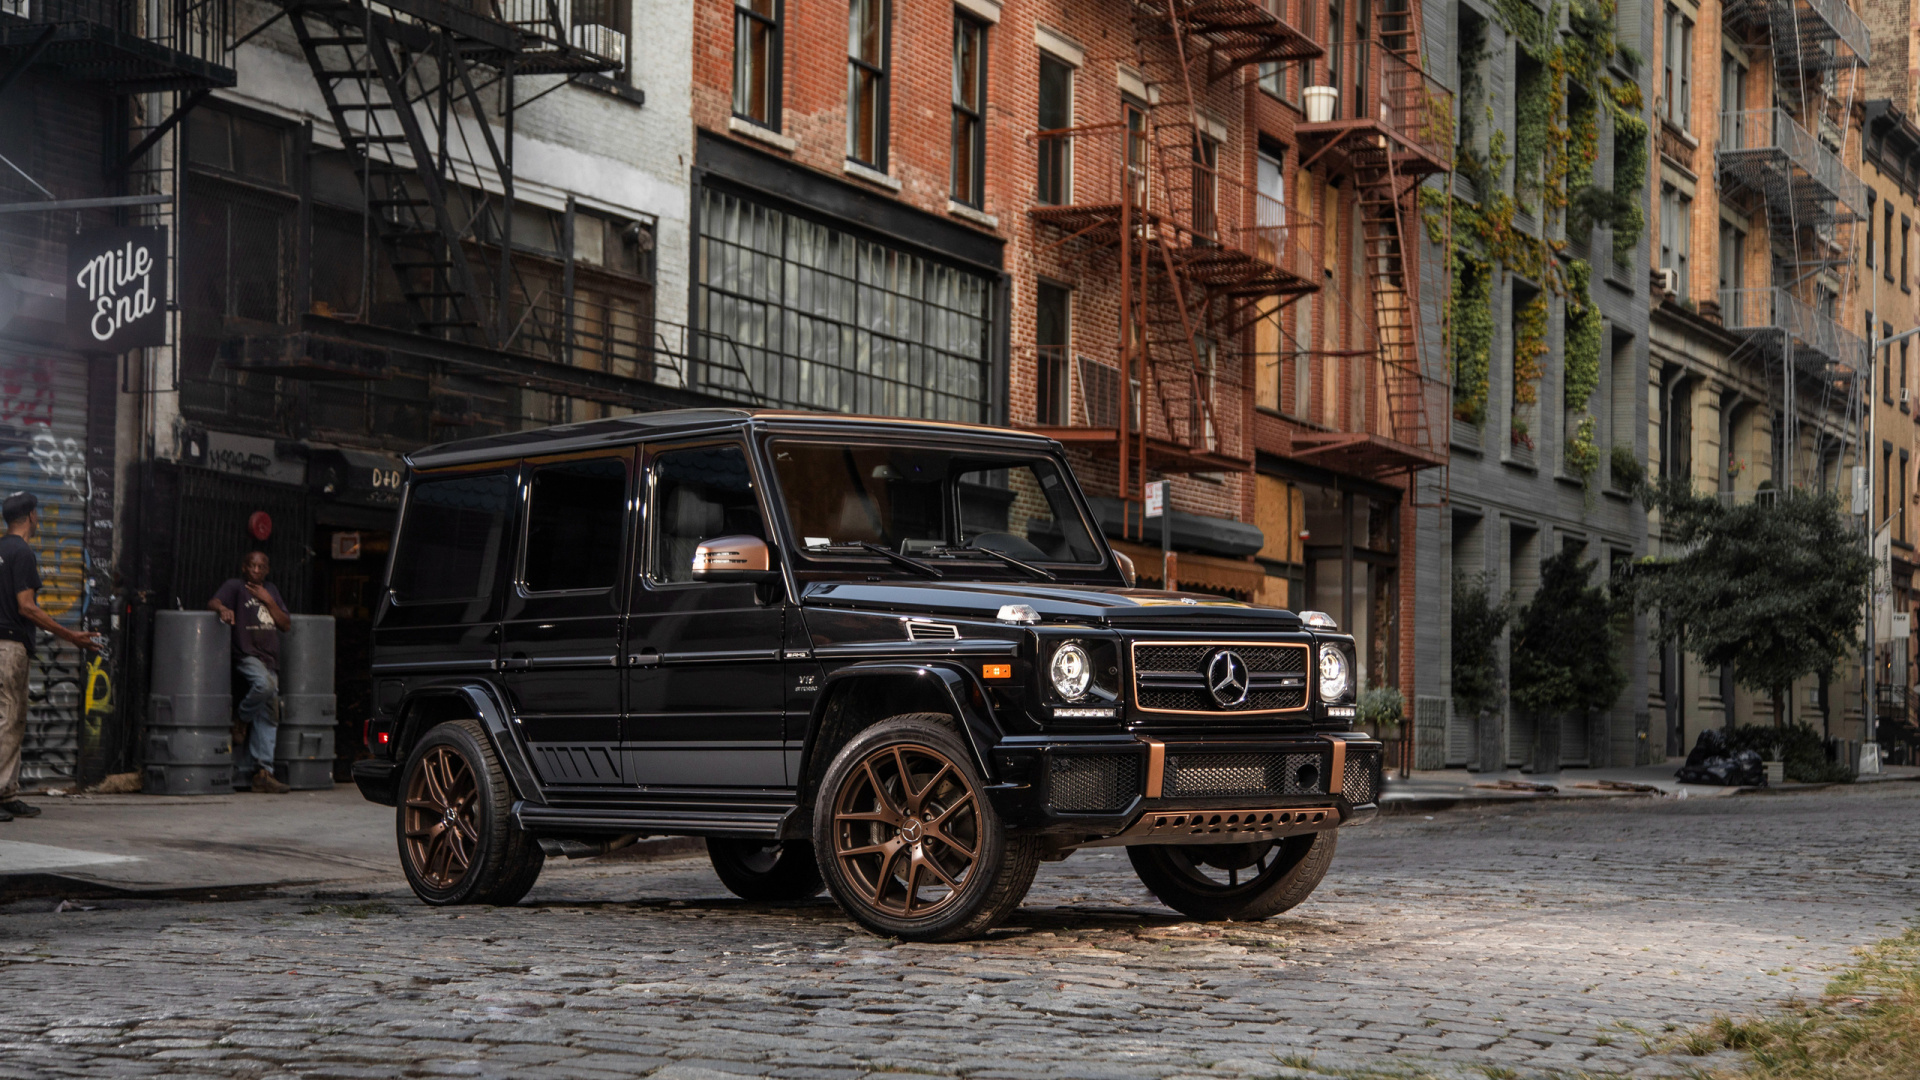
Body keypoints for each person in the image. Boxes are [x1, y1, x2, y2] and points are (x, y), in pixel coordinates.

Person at [0, 492, 105, 822]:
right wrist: (71, 636)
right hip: (9, 647)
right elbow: (27, 607)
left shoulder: (1, 549)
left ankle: (7, 793)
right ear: (31, 516)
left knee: (11, 720)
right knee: (9, 720)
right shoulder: (22, 552)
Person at [209, 551, 292, 794]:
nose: (256, 570)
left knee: (269, 715)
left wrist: (268, 600)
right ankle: (242, 719)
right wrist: (222, 609)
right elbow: (212, 602)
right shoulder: (235, 586)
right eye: (252, 566)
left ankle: (263, 773)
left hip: (270, 659)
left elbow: (285, 624)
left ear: (267, 570)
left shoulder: (271, 590)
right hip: (247, 654)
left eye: (260, 566)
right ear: (244, 567)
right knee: (264, 685)